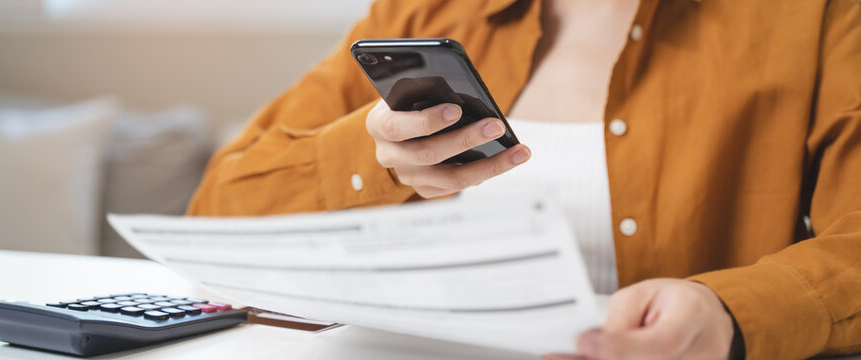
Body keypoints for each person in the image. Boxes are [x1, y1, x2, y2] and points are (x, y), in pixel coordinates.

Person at [187, 0, 861, 359]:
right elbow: (218, 209)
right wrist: (371, 160)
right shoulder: (422, 12)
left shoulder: (810, 15)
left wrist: (729, 314)